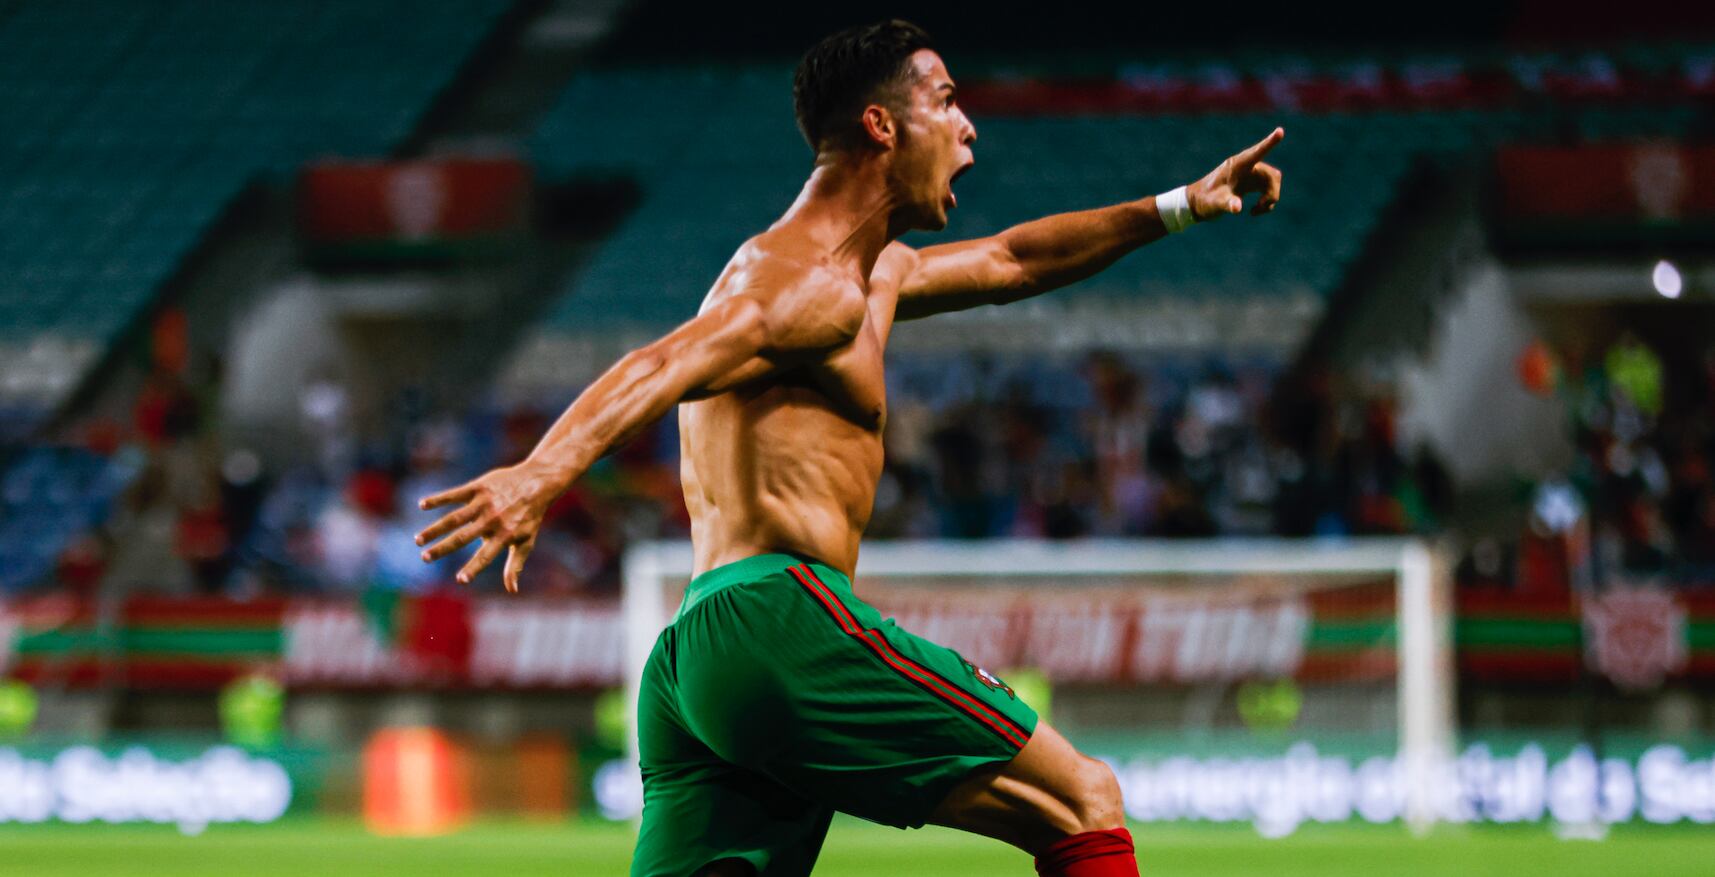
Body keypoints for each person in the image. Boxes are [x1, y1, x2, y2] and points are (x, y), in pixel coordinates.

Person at [415, 19, 1282, 877]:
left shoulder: (871, 273)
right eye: (946, 101)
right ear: (881, 125)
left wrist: (1179, 205)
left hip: (698, 652)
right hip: (777, 620)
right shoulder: (807, 280)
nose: (969, 127)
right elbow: (666, 360)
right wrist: (542, 472)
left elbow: (1013, 259)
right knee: (1082, 799)